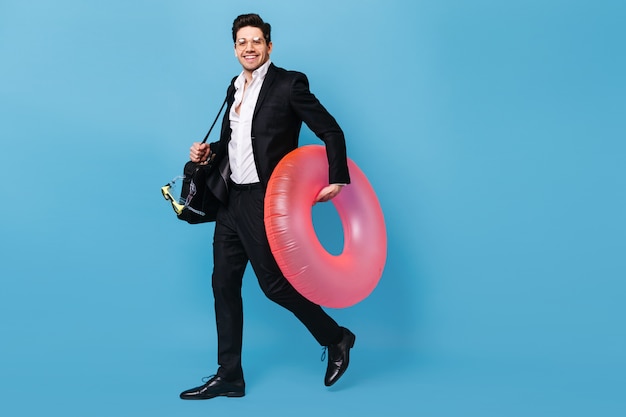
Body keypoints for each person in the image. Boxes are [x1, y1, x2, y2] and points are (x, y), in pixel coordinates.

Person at [179, 13, 355, 400]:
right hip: (231, 200)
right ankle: (230, 375)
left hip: (265, 198)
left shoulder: (290, 84)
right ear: (235, 48)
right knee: (222, 283)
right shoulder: (234, 87)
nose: (249, 48)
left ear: (269, 46)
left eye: (256, 41)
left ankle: (337, 337)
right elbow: (235, 145)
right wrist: (208, 153)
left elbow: (330, 130)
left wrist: (338, 177)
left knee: (274, 285)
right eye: (242, 42)